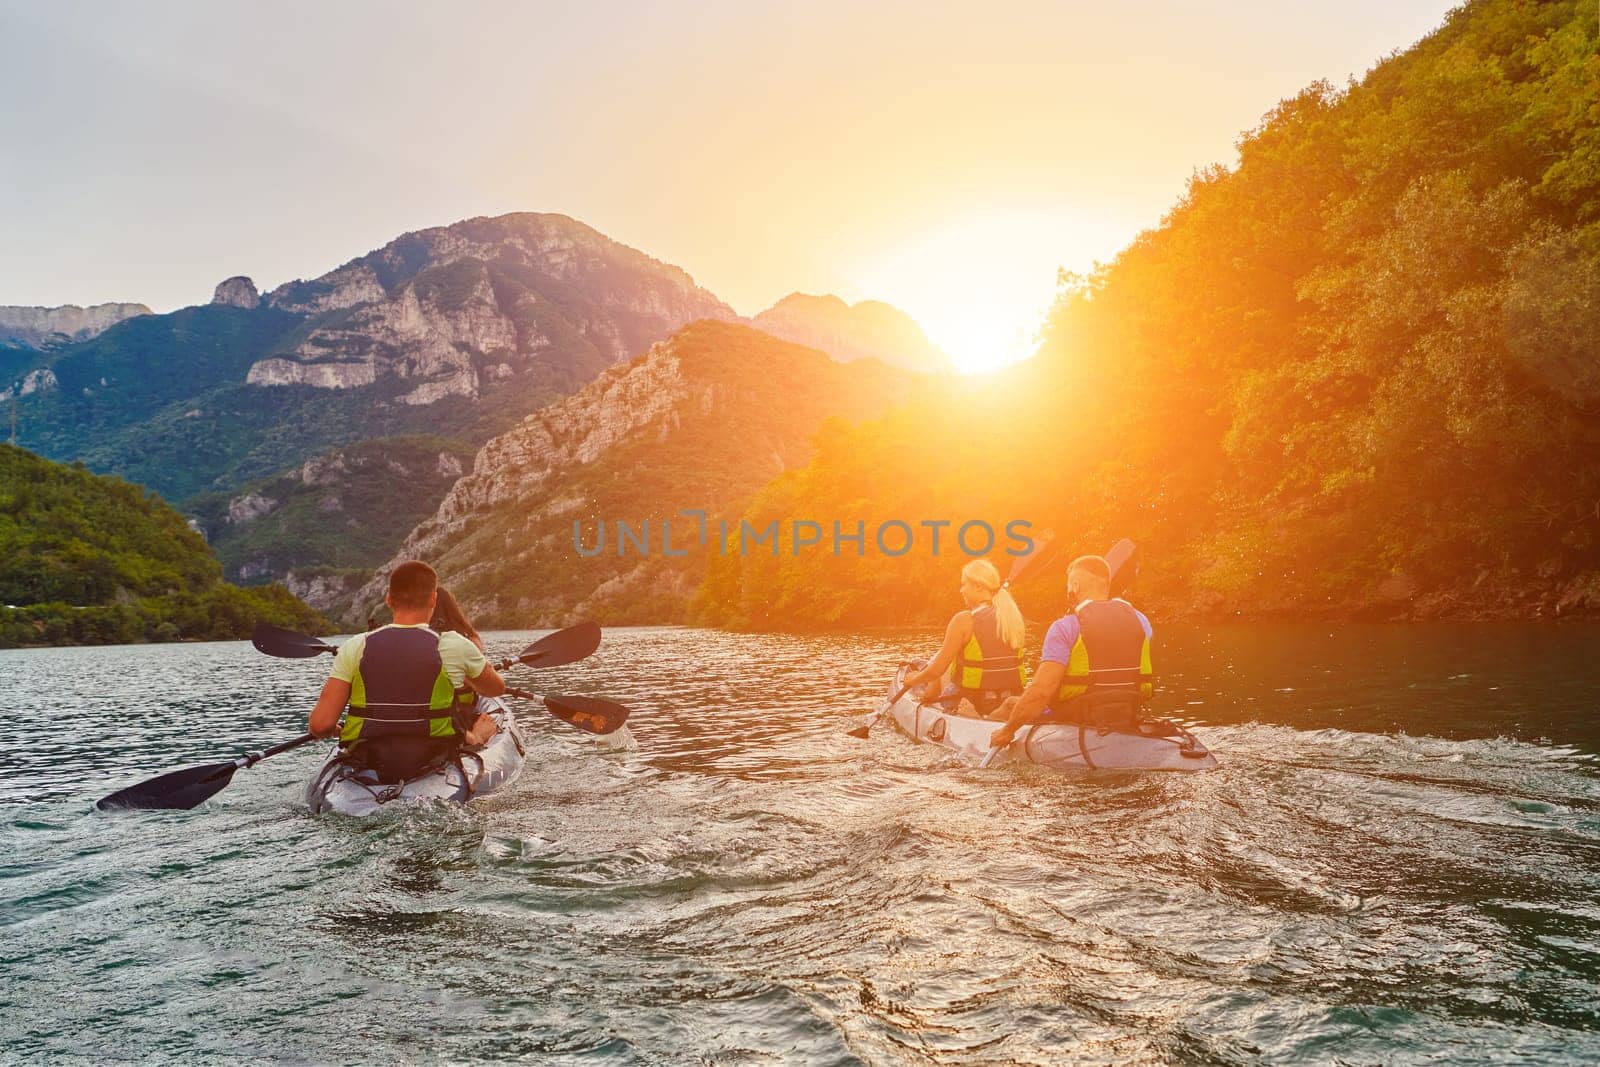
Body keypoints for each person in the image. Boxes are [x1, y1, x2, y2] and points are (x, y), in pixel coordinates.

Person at [307, 561, 505, 783]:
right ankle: (475, 738)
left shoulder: (355, 646)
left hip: (367, 758)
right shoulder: (454, 645)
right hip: (432, 755)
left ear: (389, 599)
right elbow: (496, 688)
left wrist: (336, 729)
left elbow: (320, 725)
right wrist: (465, 674)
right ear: (433, 599)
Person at [989, 553, 1154, 750]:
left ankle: (977, 721)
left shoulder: (1065, 627)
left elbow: (1042, 691)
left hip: (1077, 717)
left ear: (1075, 586)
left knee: (1010, 704)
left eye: (1069, 584)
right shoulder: (1141, 621)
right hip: (1127, 712)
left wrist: (1007, 731)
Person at [899, 558, 1027, 718]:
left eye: (964, 584)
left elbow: (937, 670)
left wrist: (914, 680)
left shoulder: (963, 620)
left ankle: (932, 702)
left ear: (978, 586)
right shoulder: (1012, 618)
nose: (961, 590)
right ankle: (997, 715)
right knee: (949, 663)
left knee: (941, 669)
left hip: (974, 701)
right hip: (1012, 697)